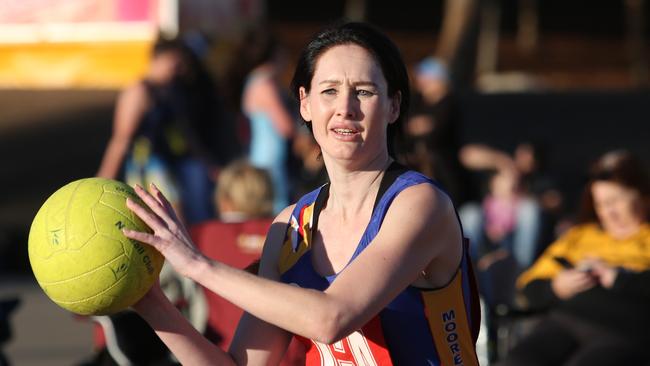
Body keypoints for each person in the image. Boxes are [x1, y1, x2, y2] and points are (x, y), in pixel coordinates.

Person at [123, 22, 481, 365]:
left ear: (393, 105)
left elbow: (332, 319)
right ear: (305, 103)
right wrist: (151, 303)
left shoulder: (419, 204)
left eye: (364, 91)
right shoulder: (291, 228)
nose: (346, 107)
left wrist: (198, 266)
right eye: (329, 91)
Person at [497, 150, 650, 366]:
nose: (608, 212)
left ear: (643, 197)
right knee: (516, 362)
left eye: (616, 201)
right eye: (601, 204)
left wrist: (621, 278)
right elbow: (527, 287)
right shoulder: (579, 237)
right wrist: (556, 287)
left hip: (623, 329)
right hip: (565, 321)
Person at [97, 37, 237, 225]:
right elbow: (120, 140)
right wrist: (102, 182)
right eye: (175, 63)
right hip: (148, 168)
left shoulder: (166, 89)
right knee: (172, 223)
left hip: (165, 165)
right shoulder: (138, 92)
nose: (179, 70)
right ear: (159, 59)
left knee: (177, 223)